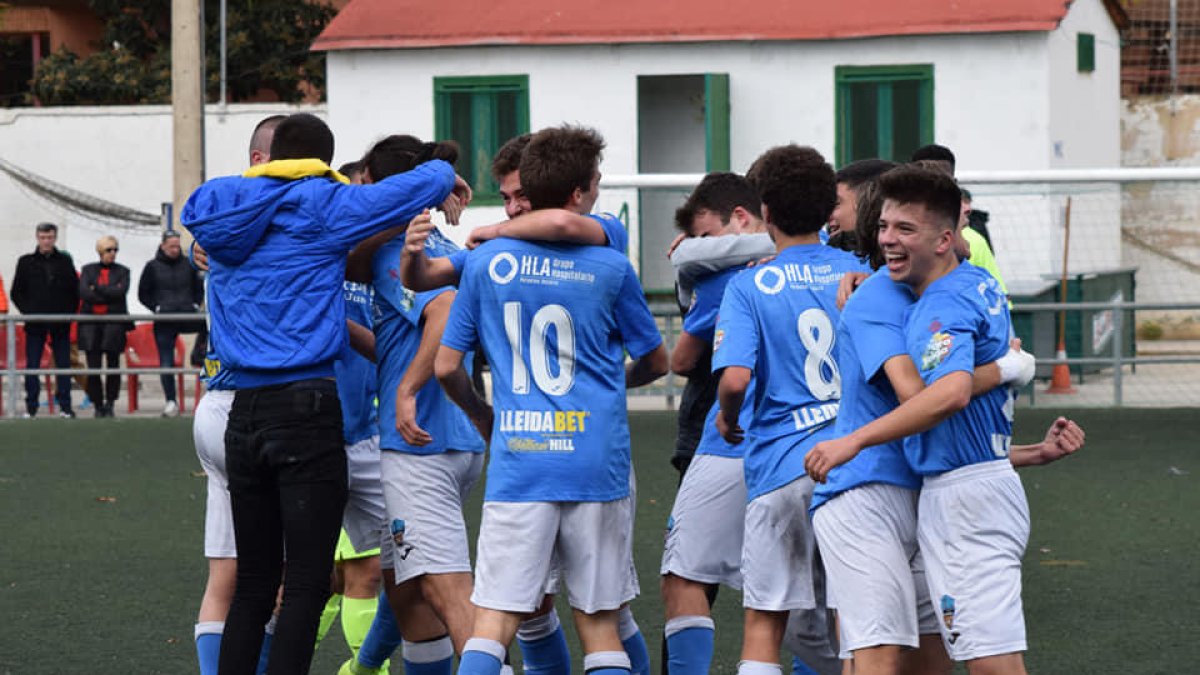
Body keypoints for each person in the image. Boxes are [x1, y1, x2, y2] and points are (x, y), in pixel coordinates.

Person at [182, 112, 470, 675]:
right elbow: (417, 184)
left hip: (240, 410)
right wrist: (444, 174)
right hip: (306, 407)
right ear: (320, 160)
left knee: (254, 585)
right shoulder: (323, 205)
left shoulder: (219, 204)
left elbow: (201, 213)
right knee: (311, 583)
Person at [401, 131, 652, 675]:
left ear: (536, 190)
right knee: (603, 623)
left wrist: (481, 413)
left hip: (523, 460)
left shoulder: (491, 259)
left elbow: (446, 365)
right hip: (596, 459)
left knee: (491, 623)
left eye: (518, 197)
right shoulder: (610, 261)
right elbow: (657, 360)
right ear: (583, 189)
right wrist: (611, 384)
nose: (512, 207)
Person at [803, 165, 1062, 675]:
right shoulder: (972, 281)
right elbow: (944, 405)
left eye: (904, 228)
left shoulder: (932, 299)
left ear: (943, 237)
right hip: (887, 495)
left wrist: (851, 440)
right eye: (883, 225)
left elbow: (938, 396)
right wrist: (1012, 372)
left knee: (967, 656)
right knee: (911, 652)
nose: (888, 238)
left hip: (949, 494)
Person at [710, 145, 867, 675]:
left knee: (765, 624)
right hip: (852, 464)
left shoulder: (751, 284)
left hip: (781, 467)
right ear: (829, 213)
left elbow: (735, 378)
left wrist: (729, 418)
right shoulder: (863, 274)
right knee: (853, 625)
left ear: (767, 214)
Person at [660, 173, 766, 675]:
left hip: (728, 434)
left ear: (741, 219)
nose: (700, 248)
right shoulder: (844, 265)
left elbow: (682, 360)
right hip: (812, 442)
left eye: (706, 236)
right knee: (795, 595)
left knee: (686, 577)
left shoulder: (725, 278)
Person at [191, 113, 284, 675]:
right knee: (274, 577)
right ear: (257, 161)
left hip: (217, 403)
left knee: (228, 576)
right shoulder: (273, 217)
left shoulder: (223, 218)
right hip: (253, 406)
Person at [11, 221, 78, 418]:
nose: (46, 241)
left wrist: (68, 314)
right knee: (32, 365)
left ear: (55, 238)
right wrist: (29, 312)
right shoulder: (26, 262)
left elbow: (74, 291)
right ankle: (31, 408)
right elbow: (17, 292)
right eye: (42, 237)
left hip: (60, 323)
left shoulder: (65, 262)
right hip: (35, 323)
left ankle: (65, 407)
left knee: (63, 365)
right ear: (37, 238)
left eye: (49, 237)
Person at [138, 230, 204, 417]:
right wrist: (156, 307)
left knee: (208, 326)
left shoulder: (189, 264)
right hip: (165, 319)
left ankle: (199, 354)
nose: (176, 249)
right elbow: (143, 293)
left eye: (177, 245)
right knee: (166, 362)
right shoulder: (152, 267)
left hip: (187, 314)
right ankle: (171, 401)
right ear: (163, 246)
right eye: (172, 246)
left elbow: (198, 288)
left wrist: (194, 304)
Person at [78, 235, 132, 418]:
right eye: (109, 250)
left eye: (115, 250)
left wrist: (98, 288)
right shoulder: (88, 270)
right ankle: (97, 404)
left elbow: (120, 292)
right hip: (91, 326)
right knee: (93, 367)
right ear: (101, 251)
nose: (113, 253)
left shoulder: (123, 271)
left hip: (113, 325)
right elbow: (85, 293)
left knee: (113, 366)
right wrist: (108, 291)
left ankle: (110, 403)